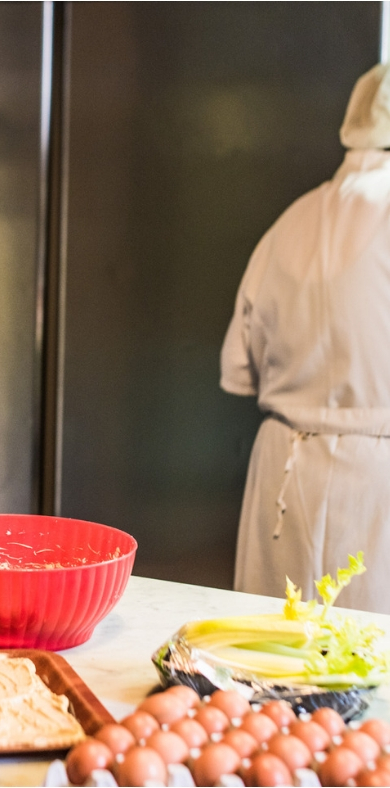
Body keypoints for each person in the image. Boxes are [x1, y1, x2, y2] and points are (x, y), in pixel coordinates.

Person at [220, 63, 390, 614]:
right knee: (371, 677)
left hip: (284, 479)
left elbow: (240, 369)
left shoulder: (289, 220)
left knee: (269, 665)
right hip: (377, 481)